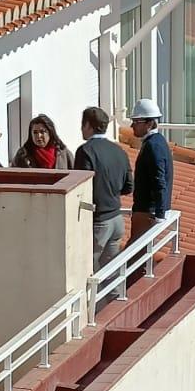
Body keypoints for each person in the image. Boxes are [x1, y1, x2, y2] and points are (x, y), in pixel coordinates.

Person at [76, 106, 132, 267]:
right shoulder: (119, 151)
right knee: (111, 271)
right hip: (117, 219)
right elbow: (129, 186)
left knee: (86, 267)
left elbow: (81, 189)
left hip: (98, 221)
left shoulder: (85, 151)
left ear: (88, 125)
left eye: (82, 124)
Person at [128, 96, 174, 241]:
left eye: (137, 122)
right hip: (148, 212)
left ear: (149, 123)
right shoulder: (156, 142)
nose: (132, 125)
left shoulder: (153, 146)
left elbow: (159, 181)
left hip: (148, 213)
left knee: (135, 252)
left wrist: (159, 214)